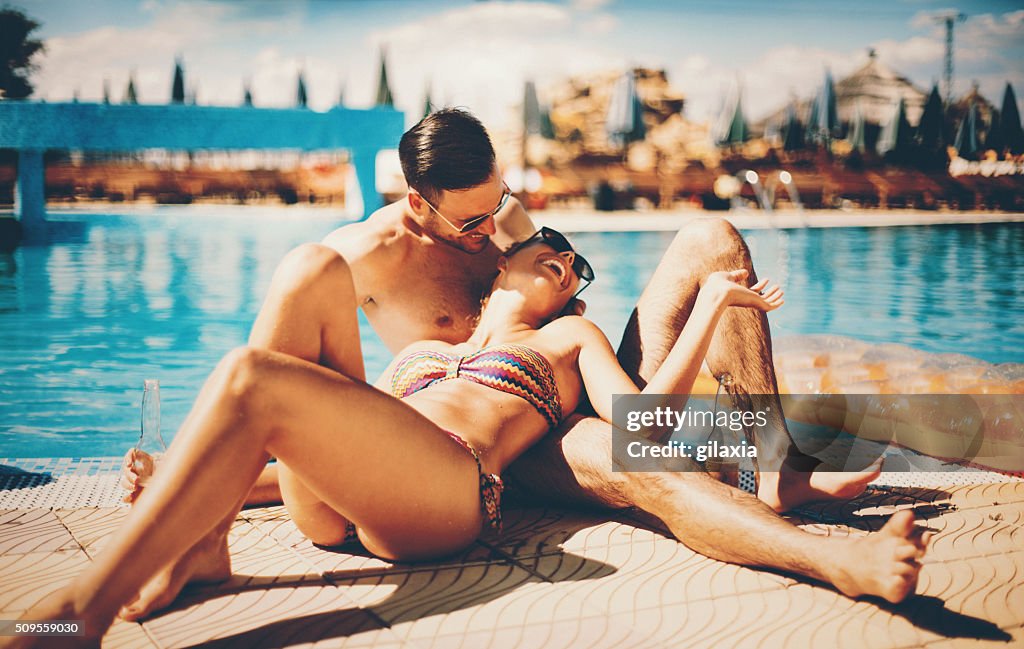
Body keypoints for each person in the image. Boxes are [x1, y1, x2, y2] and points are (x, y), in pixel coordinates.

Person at [116, 109, 923, 614]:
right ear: (415, 203)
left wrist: (562, 298)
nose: (500, 233)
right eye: (475, 224)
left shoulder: (504, 221)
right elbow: (357, 429)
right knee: (646, 458)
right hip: (489, 428)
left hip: (567, 377)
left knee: (713, 241)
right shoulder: (361, 261)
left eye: (502, 206)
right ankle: (200, 535)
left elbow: (563, 301)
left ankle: (769, 463)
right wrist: (213, 471)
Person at [14, 228, 785, 645]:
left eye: (576, 266)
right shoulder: (425, 354)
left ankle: (84, 607)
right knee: (311, 265)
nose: (567, 262)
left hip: (450, 497)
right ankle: (206, 543)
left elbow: (644, 427)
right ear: (495, 270)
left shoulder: (570, 339)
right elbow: (348, 458)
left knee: (250, 375)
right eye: (548, 248)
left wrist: (714, 306)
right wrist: (199, 474)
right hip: (357, 503)